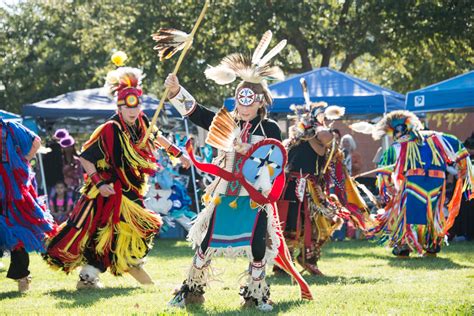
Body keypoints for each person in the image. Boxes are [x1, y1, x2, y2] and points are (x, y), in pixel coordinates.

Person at [165, 31, 311, 311]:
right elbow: (197, 112)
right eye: (239, 101)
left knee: (257, 245)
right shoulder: (225, 122)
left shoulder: (269, 129)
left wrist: (251, 156)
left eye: (249, 102)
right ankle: (191, 290)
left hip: (255, 196)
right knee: (207, 243)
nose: (243, 108)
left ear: (260, 103)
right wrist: (176, 91)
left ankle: (256, 295)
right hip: (224, 194)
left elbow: (275, 163)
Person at [43, 55, 190, 289]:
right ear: (118, 107)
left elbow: (156, 135)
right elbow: (85, 158)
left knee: (129, 229)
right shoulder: (109, 129)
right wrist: (100, 184)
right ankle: (97, 272)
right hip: (110, 190)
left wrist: (178, 153)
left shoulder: (141, 122)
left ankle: (112, 266)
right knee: (106, 232)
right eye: (127, 107)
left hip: (131, 188)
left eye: (136, 107)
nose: (133, 111)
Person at [277, 80, 372, 275]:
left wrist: (318, 121)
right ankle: (282, 263)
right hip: (293, 187)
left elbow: (327, 137)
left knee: (322, 221)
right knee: (289, 224)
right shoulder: (301, 138)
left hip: (309, 188)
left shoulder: (317, 138)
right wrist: (314, 122)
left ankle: (306, 258)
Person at [371, 111, 473, 257]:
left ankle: (404, 246)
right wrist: (463, 166)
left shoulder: (401, 145)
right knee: (432, 214)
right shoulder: (437, 137)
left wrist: (388, 186)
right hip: (436, 183)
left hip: (414, 182)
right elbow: (458, 146)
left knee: (407, 213)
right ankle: (431, 246)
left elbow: (385, 166)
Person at [0, 118, 57, 292]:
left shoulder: (9, 126)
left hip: (13, 183)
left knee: (17, 229)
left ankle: (22, 277)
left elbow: (36, 141)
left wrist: (23, 160)